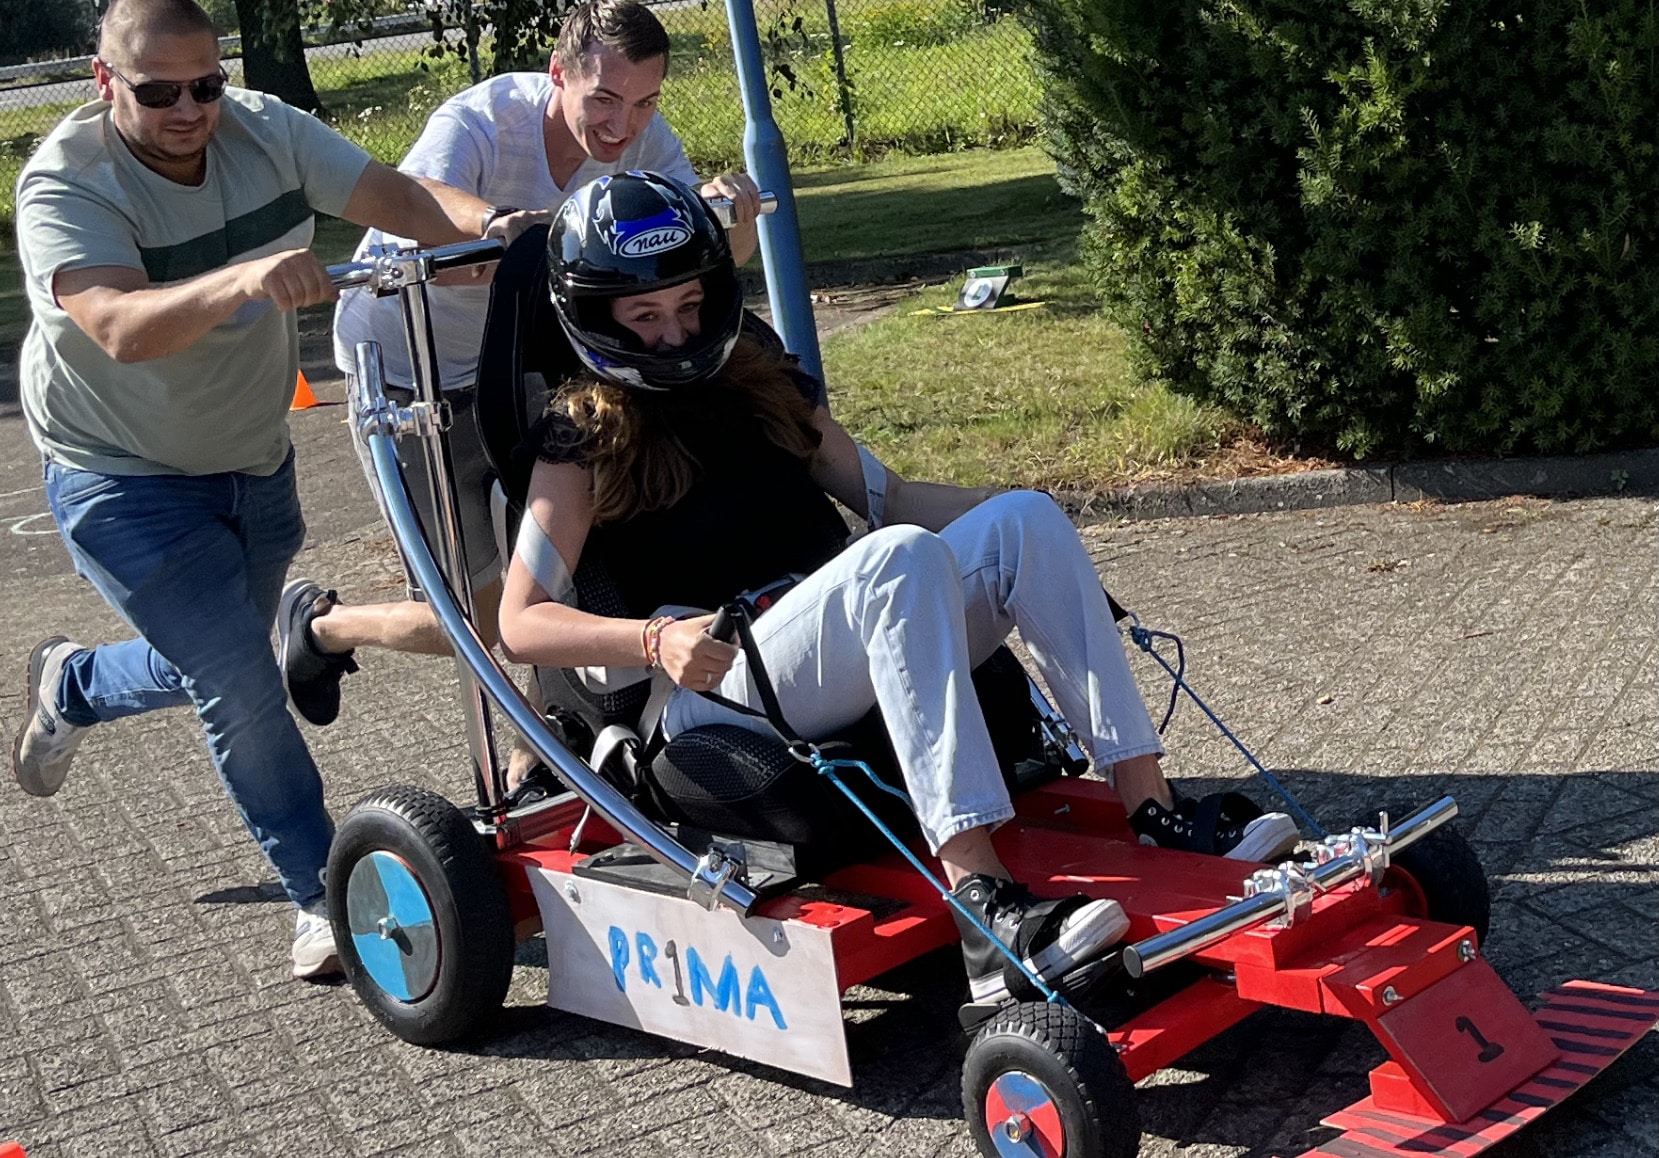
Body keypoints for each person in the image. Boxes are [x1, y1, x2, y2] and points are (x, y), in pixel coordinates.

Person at [495, 172, 1301, 1004]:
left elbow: (890, 498)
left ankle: (1152, 809)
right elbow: (520, 625)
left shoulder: (756, 383)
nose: (676, 333)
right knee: (898, 560)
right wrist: (652, 640)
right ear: (596, 317)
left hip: (817, 649)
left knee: (1023, 517)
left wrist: (1029, 521)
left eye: (690, 305)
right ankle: (983, 904)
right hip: (713, 685)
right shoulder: (578, 438)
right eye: (645, 317)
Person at [9, 0, 544, 981]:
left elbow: (396, 197)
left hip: (252, 458)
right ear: (103, 80)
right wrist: (243, 279)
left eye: (205, 85)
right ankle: (322, 895)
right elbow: (118, 325)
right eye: (158, 92)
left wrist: (496, 228)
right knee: (241, 687)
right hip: (116, 473)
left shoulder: (264, 129)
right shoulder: (65, 182)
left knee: (218, 662)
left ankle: (73, 684)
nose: (188, 109)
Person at [278, 0, 765, 738]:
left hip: (527, 362)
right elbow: (419, 212)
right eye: (604, 98)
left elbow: (695, 262)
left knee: (571, 575)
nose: (622, 125)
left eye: (644, 102)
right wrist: (494, 223)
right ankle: (324, 626)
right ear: (558, 74)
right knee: (477, 620)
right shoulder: (480, 120)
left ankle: (540, 751)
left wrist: (730, 218)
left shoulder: (644, 136)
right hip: (416, 371)